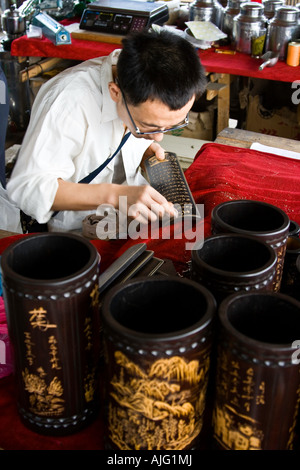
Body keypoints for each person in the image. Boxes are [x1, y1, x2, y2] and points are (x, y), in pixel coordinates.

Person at [6, 28, 207, 233]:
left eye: (173, 125)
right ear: (115, 93)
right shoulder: (69, 102)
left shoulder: (139, 88)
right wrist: (113, 195)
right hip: (64, 231)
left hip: (119, 222)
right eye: (148, 126)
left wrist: (142, 148)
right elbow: (28, 190)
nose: (159, 137)